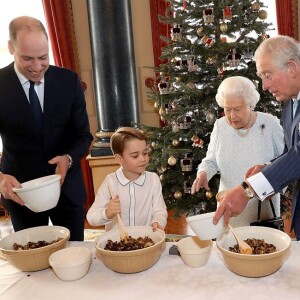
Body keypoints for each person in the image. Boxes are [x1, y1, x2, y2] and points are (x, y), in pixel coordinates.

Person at [0, 16, 93, 241]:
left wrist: (68, 159)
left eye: (43, 57)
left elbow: (83, 135)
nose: (37, 66)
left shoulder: (68, 81)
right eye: (27, 59)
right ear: (11, 48)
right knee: (33, 266)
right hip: (21, 195)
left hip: (67, 191)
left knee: (75, 263)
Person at [213, 35, 300, 240]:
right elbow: (290, 152)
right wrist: (268, 166)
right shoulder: (289, 104)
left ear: (292, 67)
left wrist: (247, 189)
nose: (264, 86)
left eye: (267, 75)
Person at [191, 76, 284, 227]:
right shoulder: (220, 126)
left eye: (237, 109)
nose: (232, 116)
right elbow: (211, 161)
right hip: (228, 209)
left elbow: (284, 163)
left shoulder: (269, 123)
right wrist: (203, 173)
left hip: (262, 212)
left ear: (251, 104)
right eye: (227, 110)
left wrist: (268, 183)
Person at [87, 127, 168, 231]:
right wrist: (107, 213)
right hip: (117, 243)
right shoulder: (110, 182)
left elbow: (160, 211)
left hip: (145, 240)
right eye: (135, 156)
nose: (143, 159)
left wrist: (157, 221)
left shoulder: (153, 179)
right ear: (119, 159)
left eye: (145, 153)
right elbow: (91, 217)